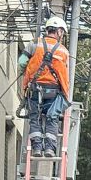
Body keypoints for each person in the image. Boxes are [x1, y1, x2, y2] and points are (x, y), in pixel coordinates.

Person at [21, 17, 70, 158]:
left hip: (34, 88)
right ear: (59, 32)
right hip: (53, 90)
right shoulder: (63, 51)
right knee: (52, 118)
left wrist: (27, 72)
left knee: (34, 116)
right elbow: (64, 75)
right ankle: (49, 148)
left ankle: (36, 147)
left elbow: (22, 62)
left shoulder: (34, 44)